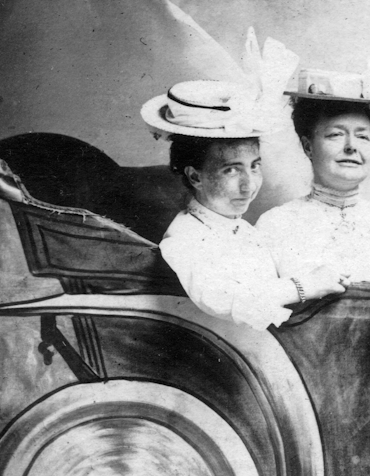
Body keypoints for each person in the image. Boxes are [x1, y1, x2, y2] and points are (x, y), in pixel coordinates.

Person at [141, 80, 345, 330]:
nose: (249, 186)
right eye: (231, 170)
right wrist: (304, 286)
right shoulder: (185, 237)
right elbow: (223, 299)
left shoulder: (244, 230)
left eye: (254, 166)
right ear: (196, 176)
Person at [255, 69, 370, 283]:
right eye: (336, 135)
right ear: (308, 147)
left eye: (363, 136)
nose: (351, 147)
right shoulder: (274, 225)